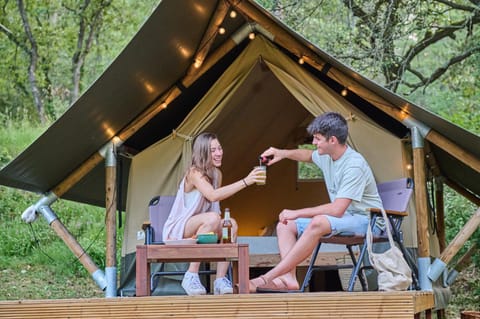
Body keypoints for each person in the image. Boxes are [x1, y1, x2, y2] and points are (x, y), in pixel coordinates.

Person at [250, 112, 383, 292]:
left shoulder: (354, 165)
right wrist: (281, 153)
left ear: (333, 140)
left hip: (369, 221)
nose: (314, 143)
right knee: (286, 225)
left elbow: (337, 209)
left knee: (318, 221)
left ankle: (268, 277)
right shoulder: (327, 156)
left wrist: (297, 212)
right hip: (347, 218)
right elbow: (306, 155)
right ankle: (289, 278)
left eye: (317, 139)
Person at [163, 132, 266, 295]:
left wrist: (221, 223)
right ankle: (191, 275)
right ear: (203, 152)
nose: (219, 153)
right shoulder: (194, 173)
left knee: (231, 224)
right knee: (213, 219)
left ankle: (220, 279)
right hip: (180, 228)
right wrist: (246, 181)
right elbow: (212, 195)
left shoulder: (217, 174)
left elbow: (214, 206)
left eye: (219, 148)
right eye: (213, 150)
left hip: (206, 224)